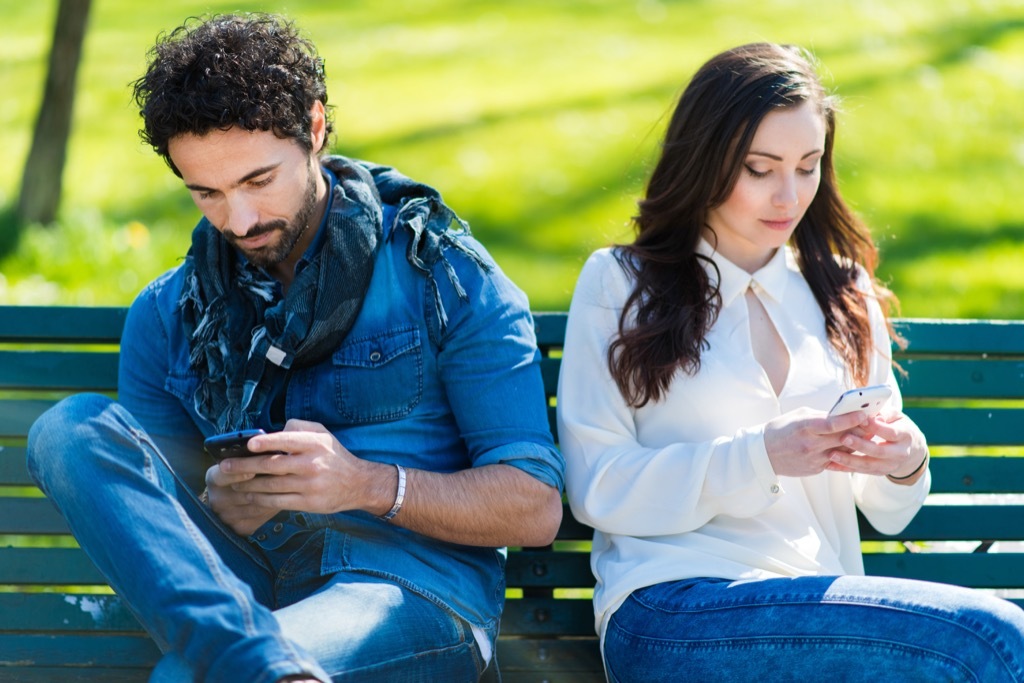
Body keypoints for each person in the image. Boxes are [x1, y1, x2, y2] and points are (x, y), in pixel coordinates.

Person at [26, 13, 564, 683]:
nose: (240, 221)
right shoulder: (169, 314)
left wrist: (364, 484)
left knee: (190, 678)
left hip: (407, 589)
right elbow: (162, 537)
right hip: (237, 598)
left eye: (257, 181)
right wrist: (222, 505)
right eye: (207, 194)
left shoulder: (442, 272)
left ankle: (256, 665)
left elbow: (534, 505)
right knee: (67, 428)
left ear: (313, 128)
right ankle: (265, 665)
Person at [557, 42, 1024, 682]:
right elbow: (597, 483)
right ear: (705, 159)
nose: (790, 194)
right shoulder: (621, 283)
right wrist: (762, 454)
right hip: (673, 607)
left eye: (808, 166)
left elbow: (888, 511)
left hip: (821, 604)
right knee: (992, 639)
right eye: (760, 168)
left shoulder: (843, 292)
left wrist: (904, 458)